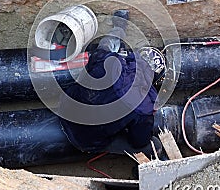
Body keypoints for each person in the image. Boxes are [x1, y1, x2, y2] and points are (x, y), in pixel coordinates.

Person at [58, 10, 160, 156]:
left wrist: (119, 27)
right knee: (152, 145)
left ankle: (119, 24)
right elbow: (139, 141)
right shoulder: (143, 106)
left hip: (64, 108)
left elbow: (106, 44)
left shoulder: (106, 60)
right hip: (85, 140)